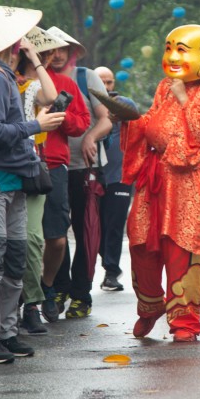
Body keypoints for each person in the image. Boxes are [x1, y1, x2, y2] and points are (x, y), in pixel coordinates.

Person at [0, 6, 65, 363]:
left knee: (13, 261)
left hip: (13, 182)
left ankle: (6, 333)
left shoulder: (3, 74)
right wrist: (35, 126)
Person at [121, 24, 200, 342]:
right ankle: (150, 307)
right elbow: (153, 120)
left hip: (186, 183)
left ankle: (184, 321)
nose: (173, 56)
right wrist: (130, 120)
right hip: (154, 177)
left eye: (182, 49)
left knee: (182, 249)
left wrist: (183, 98)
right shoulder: (164, 85)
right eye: (169, 48)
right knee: (141, 244)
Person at [46, 26, 112, 319]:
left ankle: (81, 294)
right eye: (52, 49)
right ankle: (59, 287)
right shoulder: (39, 79)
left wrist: (89, 137)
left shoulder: (86, 77)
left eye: (63, 49)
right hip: (52, 166)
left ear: (72, 51)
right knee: (56, 231)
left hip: (85, 166)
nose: (57, 55)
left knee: (85, 231)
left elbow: (105, 120)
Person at [25, 31, 90, 327]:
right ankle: (29, 299)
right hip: (18, 165)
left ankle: (47, 285)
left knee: (57, 239)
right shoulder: (12, 79)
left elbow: (81, 125)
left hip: (53, 166)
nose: (52, 56)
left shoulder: (64, 84)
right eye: (48, 51)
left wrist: (62, 117)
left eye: (56, 52)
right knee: (25, 239)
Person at [94, 66, 137, 292]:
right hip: (92, 175)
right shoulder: (87, 105)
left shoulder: (123, 105)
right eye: (101, 82)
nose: (107, 87)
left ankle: (111, 272)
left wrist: (113, 108)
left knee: (115, 224)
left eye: (109, 82)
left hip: (120, 176)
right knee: (95, 226)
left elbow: (135, 111)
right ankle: (104, 260)